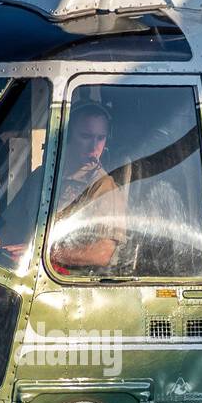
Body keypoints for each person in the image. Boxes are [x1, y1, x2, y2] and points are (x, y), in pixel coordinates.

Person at [43, 102, 127, 274]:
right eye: (86, 136)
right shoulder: (42, 177)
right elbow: (12, 228)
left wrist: (43, 253)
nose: (94, 146)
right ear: (67, 137)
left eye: (100, 138)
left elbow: (102, 253)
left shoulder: (103, 185)